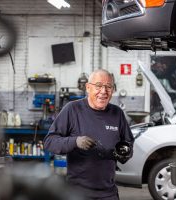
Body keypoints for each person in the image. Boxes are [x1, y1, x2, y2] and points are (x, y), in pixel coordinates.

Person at [43, 69, 134, 200]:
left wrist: (125, 152)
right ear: (88, 88)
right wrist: (75, 141)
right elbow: (49, 142)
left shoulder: (117, 113)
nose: (103, 91)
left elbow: (128, 143)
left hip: (108, 194)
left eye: (108, 87)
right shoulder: (72, 109)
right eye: (98, 86)